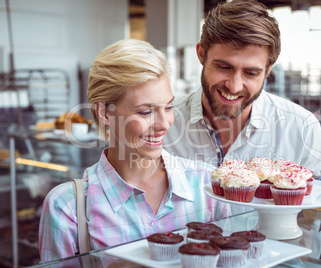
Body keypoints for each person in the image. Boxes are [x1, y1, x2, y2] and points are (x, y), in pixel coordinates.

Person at [38, 39, 229, 262]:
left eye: (167, 107)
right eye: (146, 112)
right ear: (105, 113)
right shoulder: (67, 208)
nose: (164, 124)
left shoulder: (208, 185)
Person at [164, 0, 321, 177]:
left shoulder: (302, 129)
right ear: (201, 54)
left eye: (250, 73)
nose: (234, 87)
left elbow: (312, 202)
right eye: (224, 67)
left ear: (267, 71)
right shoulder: (162, 125)